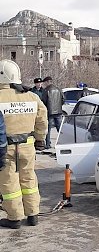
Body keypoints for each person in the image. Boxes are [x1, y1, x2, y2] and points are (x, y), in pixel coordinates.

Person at [0, 59, 48, 229]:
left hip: (6, 148)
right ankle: (33, 214)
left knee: (9, 182)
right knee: (29, 179)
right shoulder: (31, 96)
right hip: (28, 146)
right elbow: (42, 120)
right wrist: (40, 138)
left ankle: (14, 218)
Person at [42, 76, 64, 149]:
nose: (44, 84)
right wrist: (59, 106)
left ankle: (48, 144)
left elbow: (44, 101)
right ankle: (62, 142)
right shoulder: (58, 89)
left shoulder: (46, 90)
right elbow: (63, 99)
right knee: (60, 128)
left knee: (48, 129)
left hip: (50, 112)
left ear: (47, 82)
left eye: (44, 82)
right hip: (59, 111)